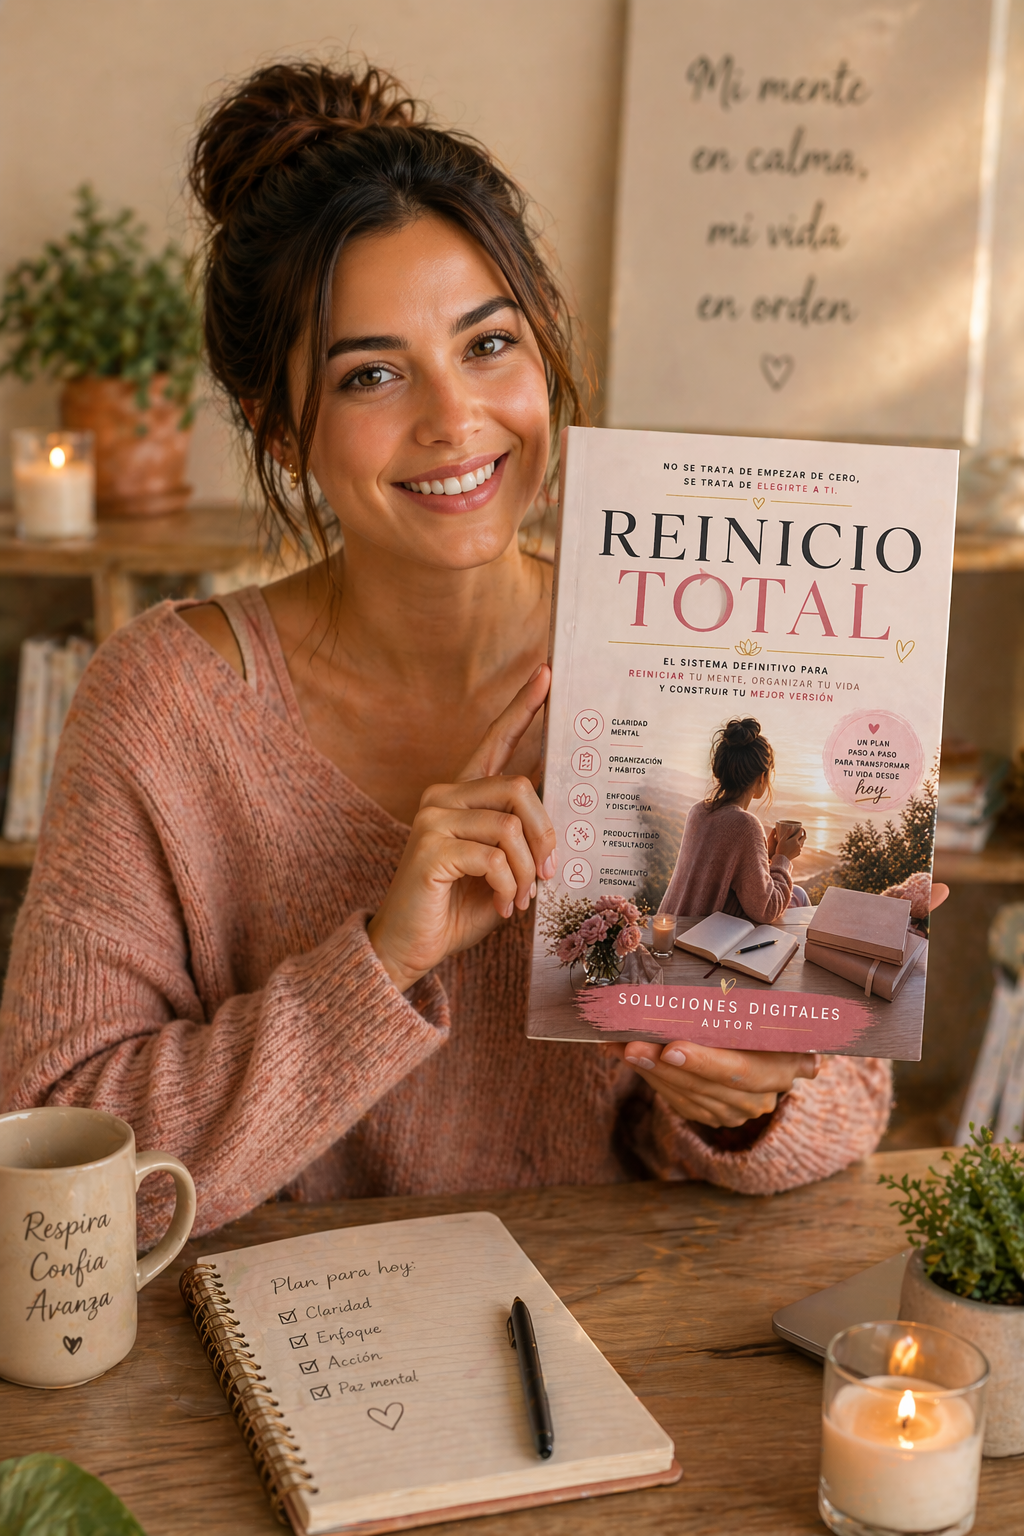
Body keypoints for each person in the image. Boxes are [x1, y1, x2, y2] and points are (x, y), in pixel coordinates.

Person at [0, 63, 891, 1244]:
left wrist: (744, 1101)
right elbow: (51, 1163)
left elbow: (848, 1107)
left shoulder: (685, 640)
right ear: (280, 425)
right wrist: (383, 956)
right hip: (259, 1364)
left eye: (487, 345)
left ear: (546, 347)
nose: (452, 420)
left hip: (604, 1347)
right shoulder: (166, 703)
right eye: (371, 373)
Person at [660, 718, 806, 923]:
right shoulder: (746, 825)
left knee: (797, 893)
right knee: (800, 897)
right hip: (703, 937)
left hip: (670, 924)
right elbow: (766, 909)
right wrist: (783, 858)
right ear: (762, 778)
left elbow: (721, 873)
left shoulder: (698, 811)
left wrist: (767, 856)